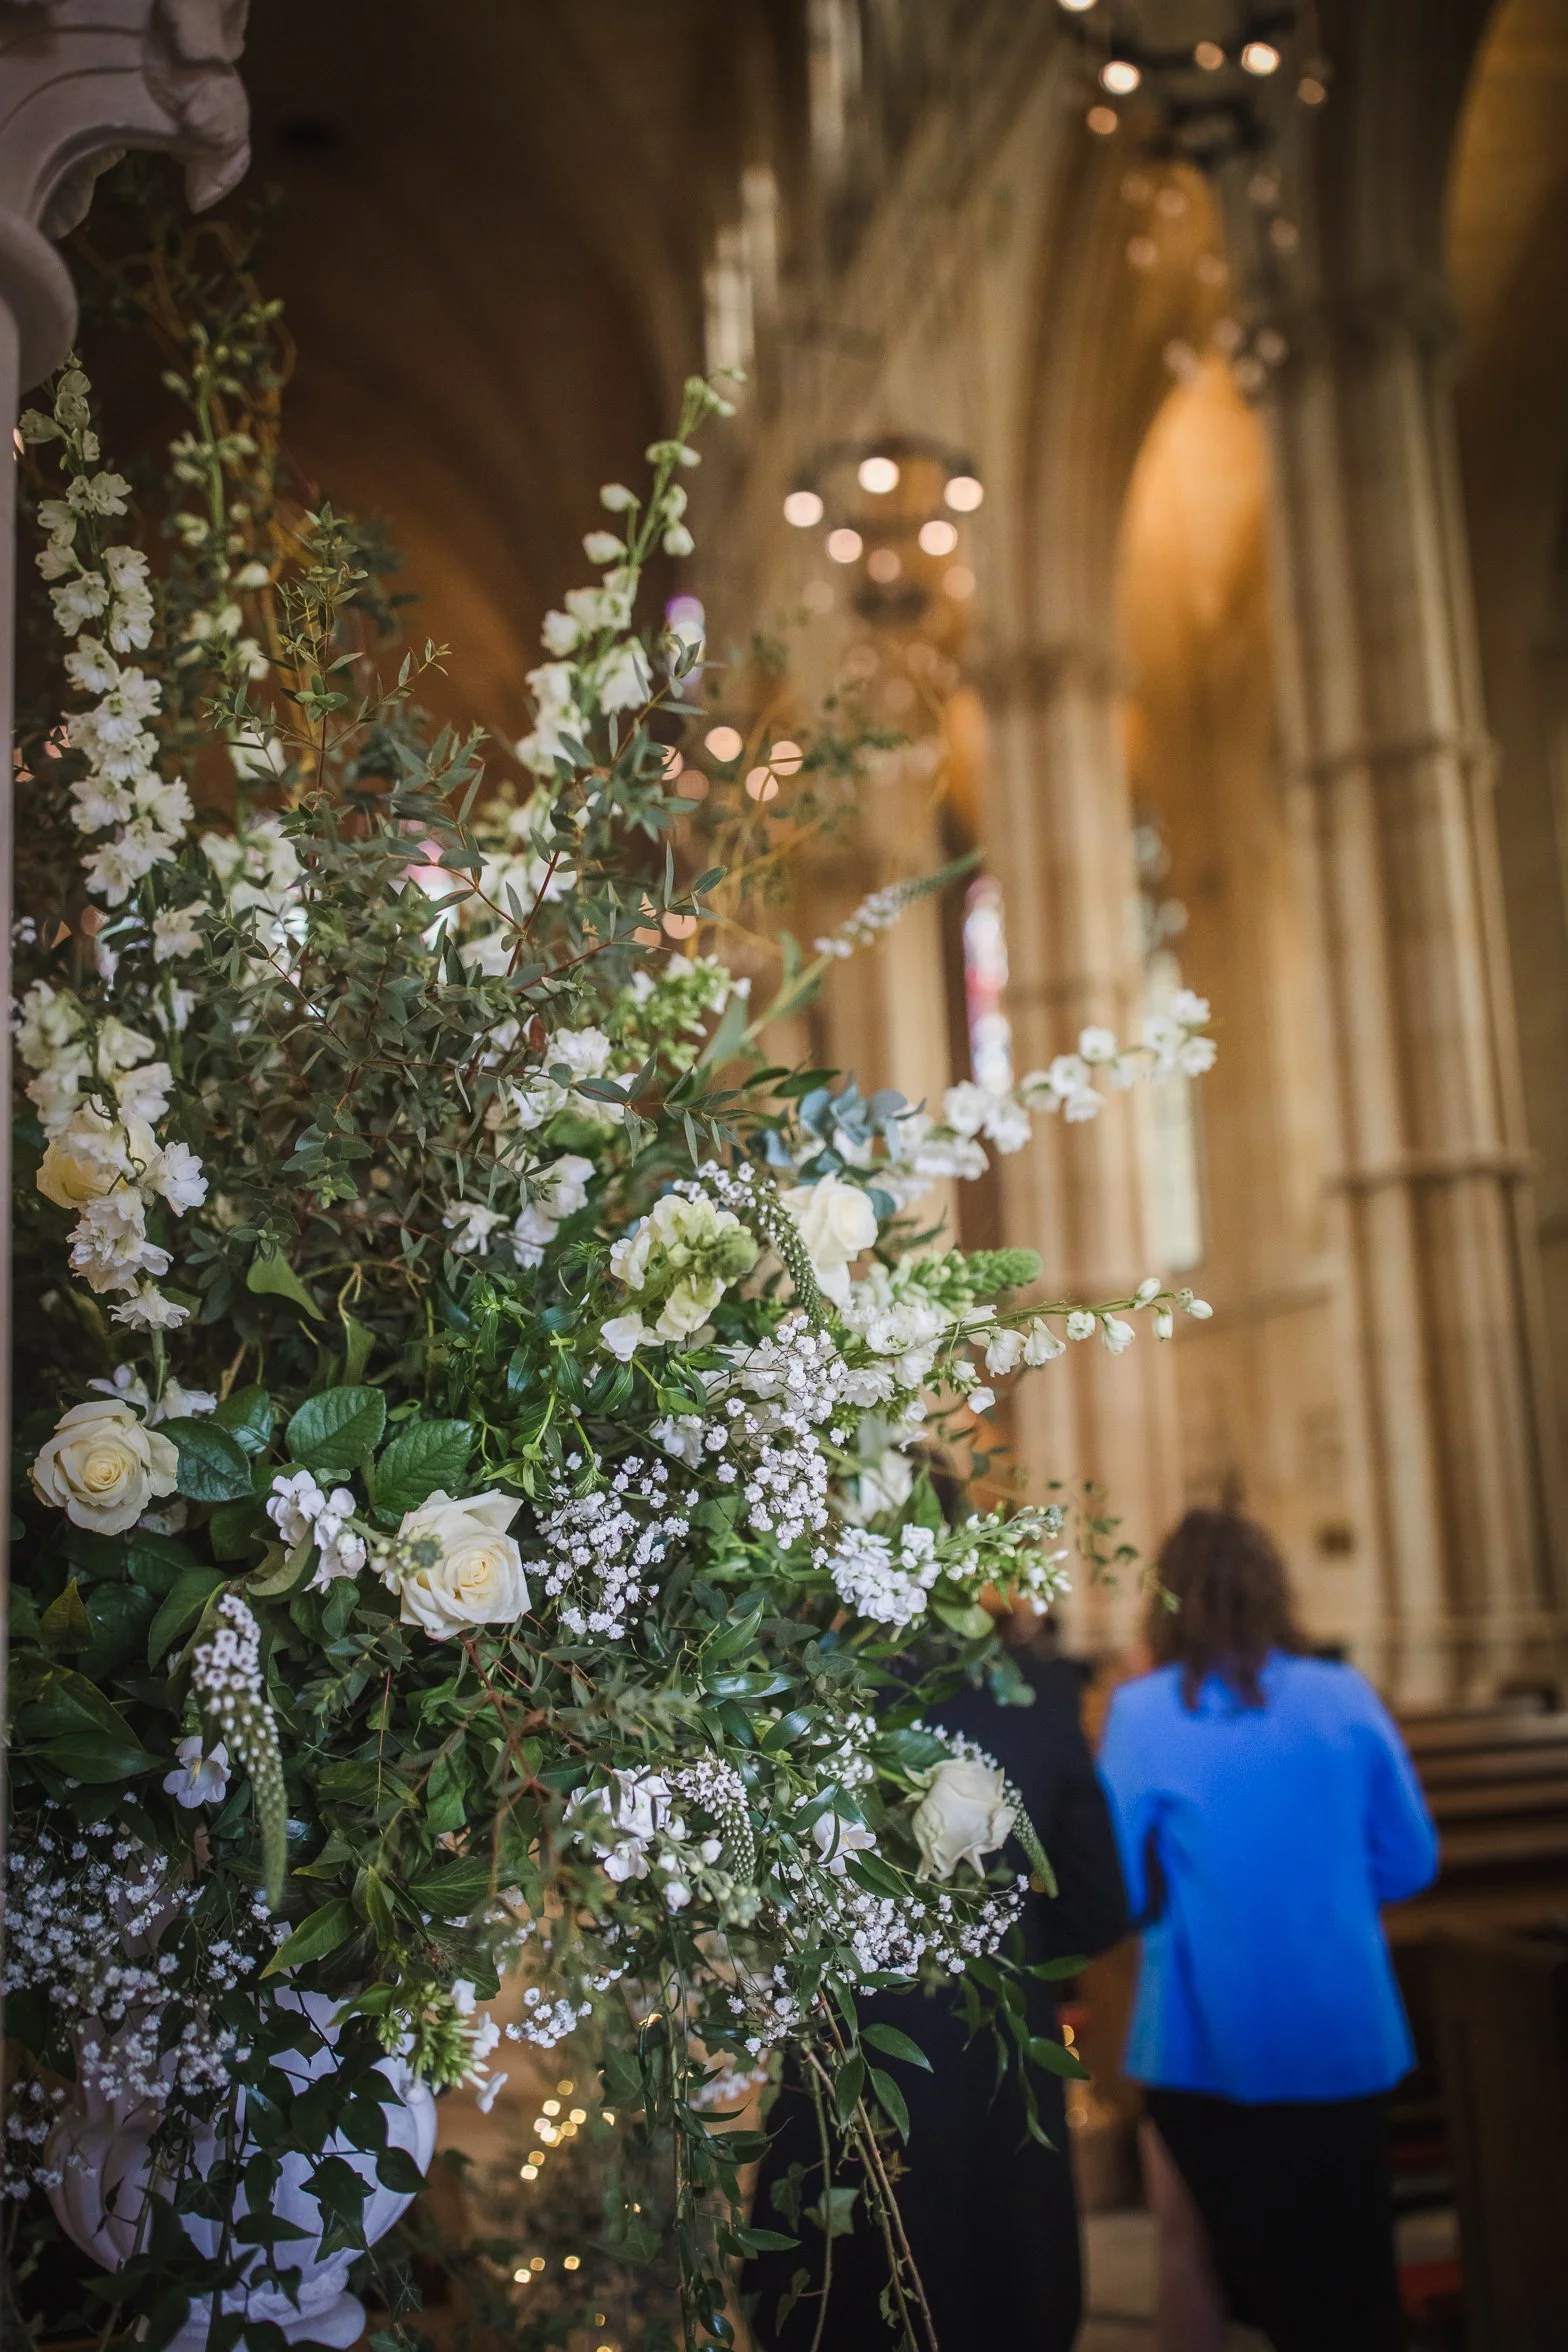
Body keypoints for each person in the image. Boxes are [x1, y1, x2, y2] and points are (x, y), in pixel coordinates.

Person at [1097, 1507, 1439, 2352]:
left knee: (1189, 2254)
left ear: (1167, 1601)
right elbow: (1411, 1860)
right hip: (1341, 2033)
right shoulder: (1342, 1693)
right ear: (1273, 1592)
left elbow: (1113, 1885)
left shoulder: (1143, 1713)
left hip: (1203, 2041)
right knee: (1353, 2277)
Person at [746, 1624, 1128, 2352]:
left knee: (835, 2299)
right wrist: (1003, 1949)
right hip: (999, 2061)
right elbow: (1098, 1903)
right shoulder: (1038, 1690)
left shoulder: (795, 1681)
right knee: (1010, 2292)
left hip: (848, 2062)